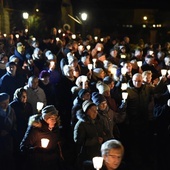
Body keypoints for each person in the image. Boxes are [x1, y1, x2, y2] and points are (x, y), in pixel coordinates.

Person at [20, 105, 64, 170]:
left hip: (52, 163)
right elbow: (23, 147)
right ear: (45, 118)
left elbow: (57, 143)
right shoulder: (36, 129)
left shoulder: (55, 129)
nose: (54, 121)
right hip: (38, 163)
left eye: (55, 118)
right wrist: (37, 149)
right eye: (52, 119)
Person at [73, 100, 110, 170]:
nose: (95, 112)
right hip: (88, 155)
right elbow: (78, 141)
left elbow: (107, 132)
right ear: (87, 111)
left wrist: (104, 138)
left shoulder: (99, 121)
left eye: (96, 110)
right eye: (93, 110)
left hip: (100, 152)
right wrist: (95, 140)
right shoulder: (80, 125)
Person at [0, 92, 17, 170]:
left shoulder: (11, 110)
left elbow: (14, 123)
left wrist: (11, 132)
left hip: (9, 137)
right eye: (3, 103)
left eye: (7, 102)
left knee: (9, 156)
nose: (6, 105)